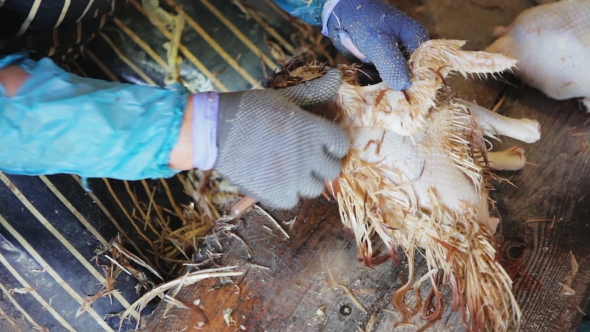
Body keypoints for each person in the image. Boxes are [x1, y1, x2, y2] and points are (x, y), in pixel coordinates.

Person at [0, 0, 429, 210]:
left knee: (265, 69)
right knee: (104, 273)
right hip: (20, 124)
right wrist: (197, 130)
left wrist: (331, 4)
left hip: (105, 12)